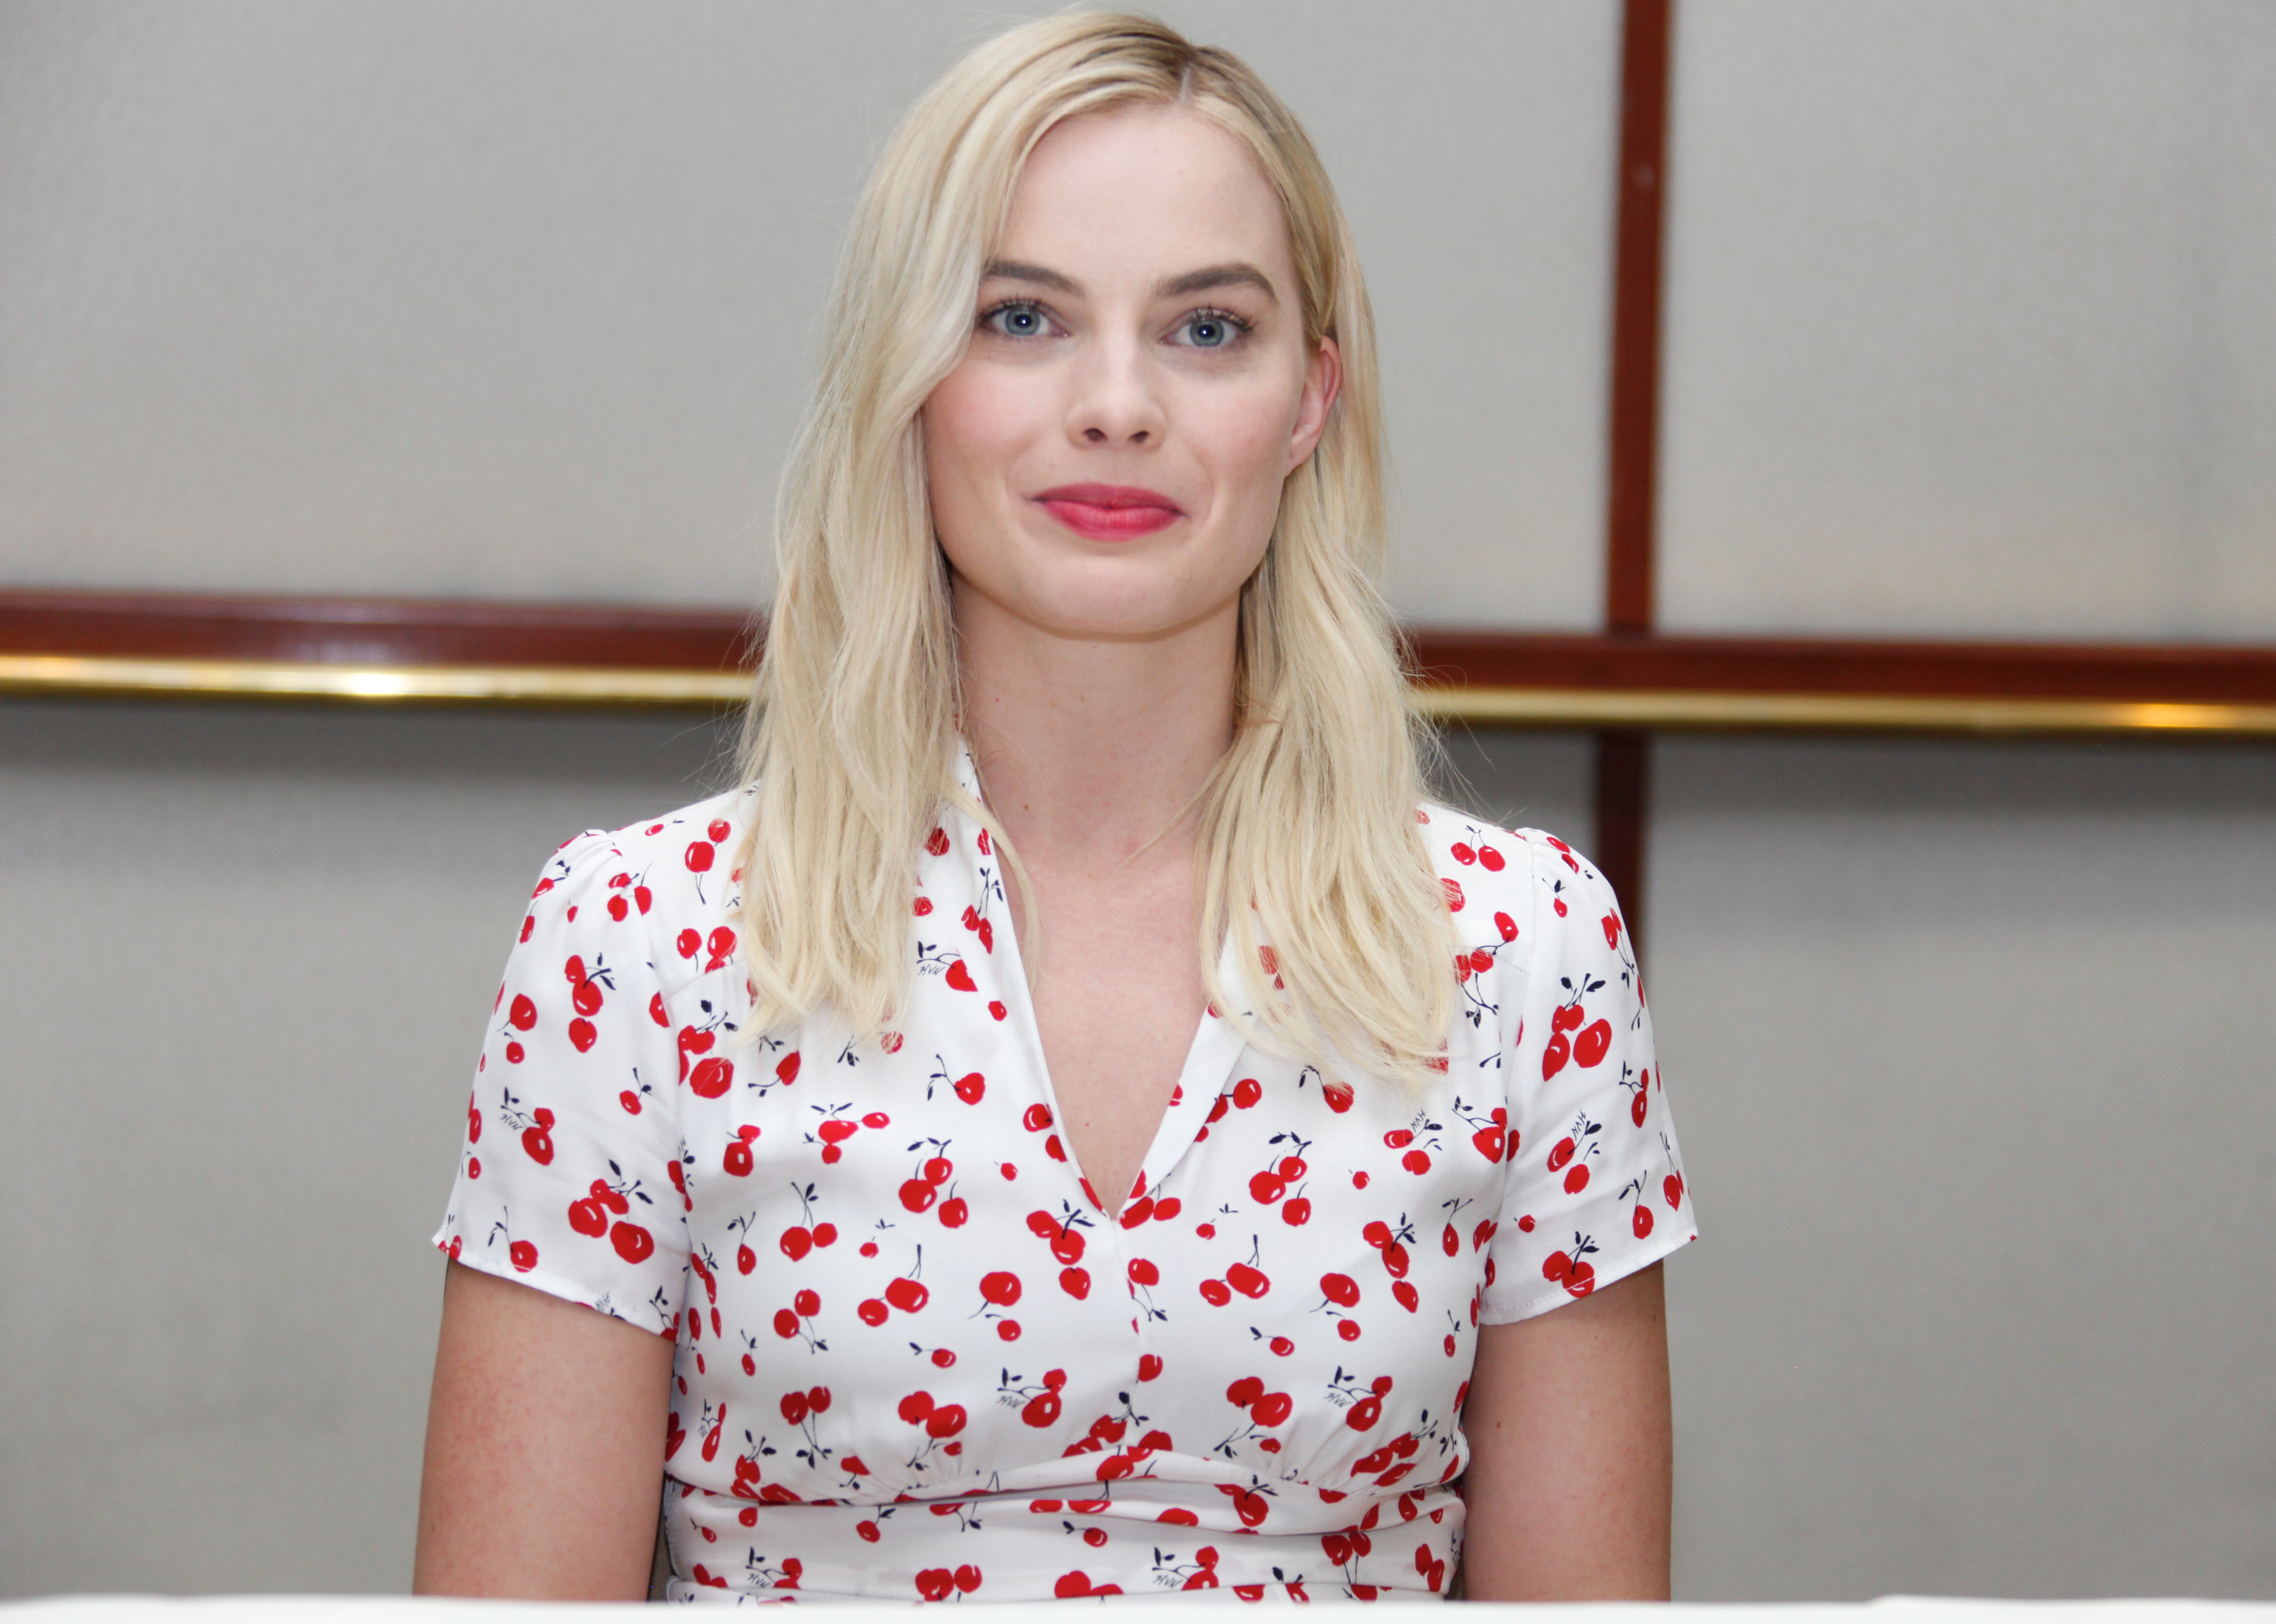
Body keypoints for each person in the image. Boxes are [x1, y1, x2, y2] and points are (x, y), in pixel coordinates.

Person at [414, 11, 1694, 1604]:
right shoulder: (639, 941)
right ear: (911, 375)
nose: (1116, 403)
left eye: (1206, 330)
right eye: (1020, 316)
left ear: (1307, 403)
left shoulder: (1523, 951)